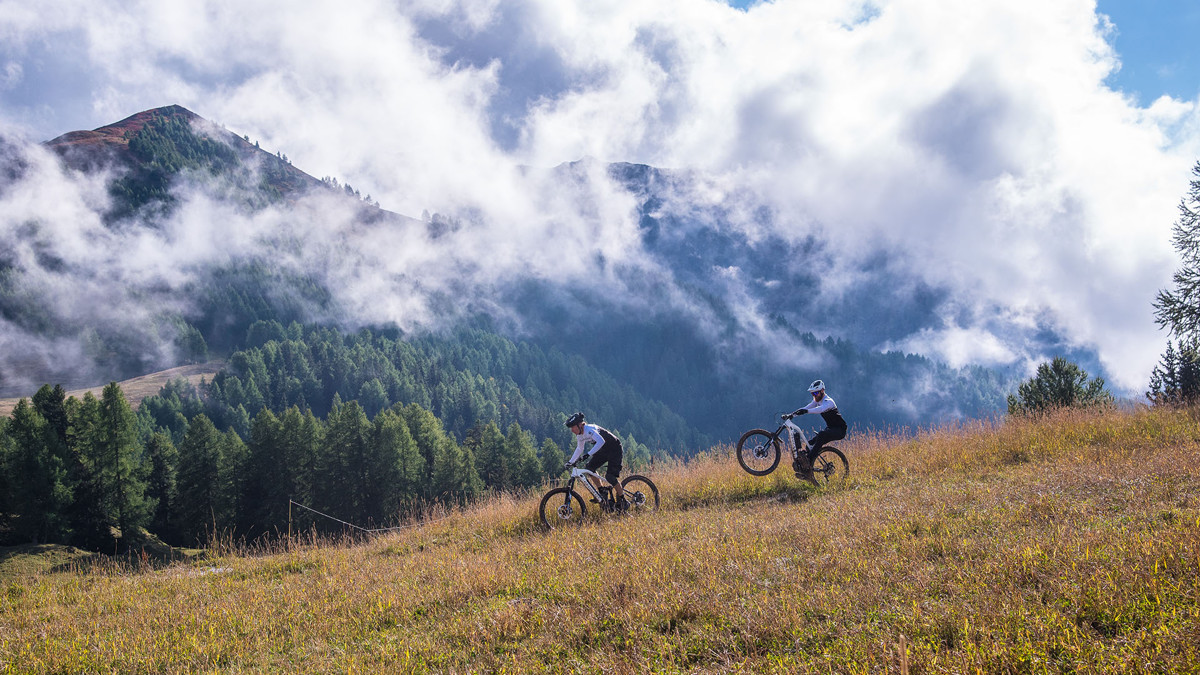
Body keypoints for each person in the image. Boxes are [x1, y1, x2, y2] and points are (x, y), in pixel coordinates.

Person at [564, 412, 627, 510]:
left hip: (615, 449)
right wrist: (570, 462)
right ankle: (602, 491)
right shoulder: (580, 435)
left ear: (580, 425)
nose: (572, 430)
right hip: (603, 450)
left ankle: (623, 500)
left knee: (610, 477)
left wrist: (588, 454)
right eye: (571, 428)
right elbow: (579, 449)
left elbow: (601, 441)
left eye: (573, 427)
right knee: (590, 468)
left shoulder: (589, 430)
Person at [785, 379, 848, 477]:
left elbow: (820, 409)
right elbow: (807, 407)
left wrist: (806, 411)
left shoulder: (828, 401)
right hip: (830, 429)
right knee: (809, 445)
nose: (814, 395)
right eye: (812, 394)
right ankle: (808, 473)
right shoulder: (817, 400)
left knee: (822, 434)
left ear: (822, 391)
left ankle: (808, 463)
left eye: (816, 393)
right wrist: (792, 415)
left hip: (840, 430)